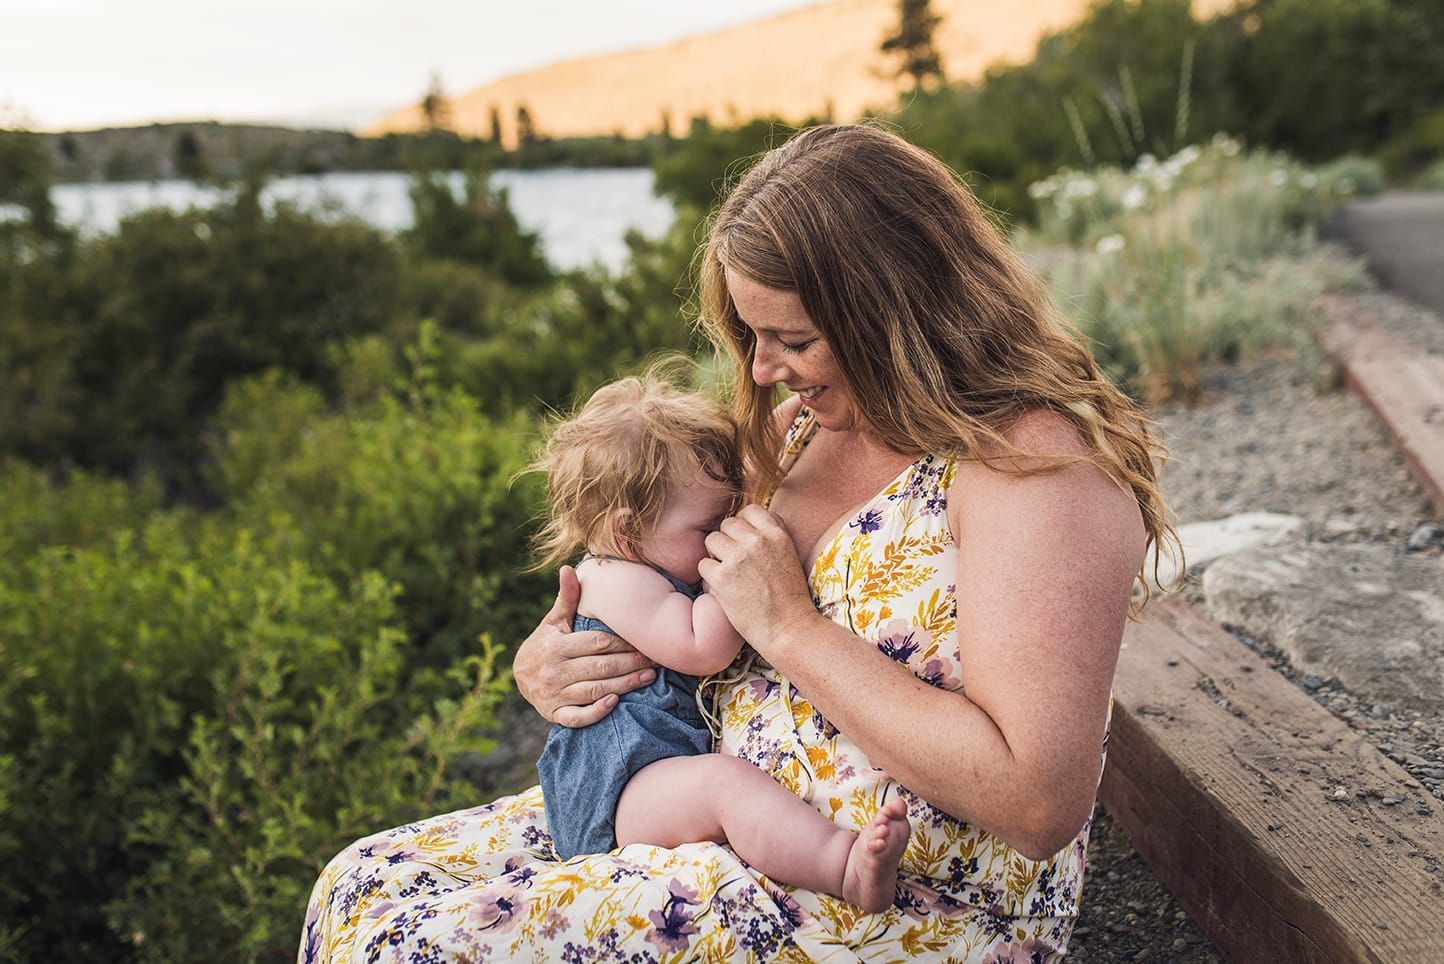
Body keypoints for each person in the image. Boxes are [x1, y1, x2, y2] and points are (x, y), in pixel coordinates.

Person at [298, 123, 1175, 962]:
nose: (758, 371)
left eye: (793, 339)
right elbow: (663, 571)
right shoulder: (801, 428)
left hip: (889, 905)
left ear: (895, 313)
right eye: (752, 336)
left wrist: (792, 628)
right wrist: (560, 659)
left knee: (412, 948)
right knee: (360, 888)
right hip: (710, 811)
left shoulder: (1035, 467)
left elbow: (1037, 799)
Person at [528, 372, 911, 911]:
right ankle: (843, 867)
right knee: (724, 787)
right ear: (627, 531)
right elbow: (703, 646)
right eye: (708, 525)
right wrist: (740, 570)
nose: (721, 533)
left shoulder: (642, 557)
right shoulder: (615, 580)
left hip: (647, 770)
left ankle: (838, 860)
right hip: (616, 795)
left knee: (722, 787)